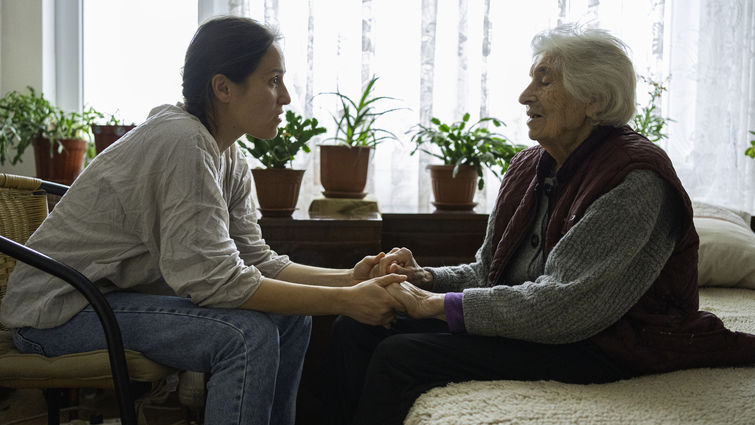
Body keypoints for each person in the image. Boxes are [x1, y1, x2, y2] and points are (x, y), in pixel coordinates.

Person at [327, 24, 755, 425]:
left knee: (402, 354)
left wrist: (433, 305)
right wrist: (425, 278)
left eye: (544, 81)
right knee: (356, 324)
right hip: (540, 324)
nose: (524, 96)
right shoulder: (529, 166)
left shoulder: (634, 179)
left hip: (607, 342)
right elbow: (489, 271)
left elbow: (569, 306)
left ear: (596, 100)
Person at [0, 16, 405, 425]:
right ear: (223, 87)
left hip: (105, 299)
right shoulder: (182, 142)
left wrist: (350, 279)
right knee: (246, 337)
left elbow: (256, 260)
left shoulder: (227, 155)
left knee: (291, 318)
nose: (285, 97)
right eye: (273, 80)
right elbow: (216, 281)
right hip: (57, 313)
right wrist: (346, 302)